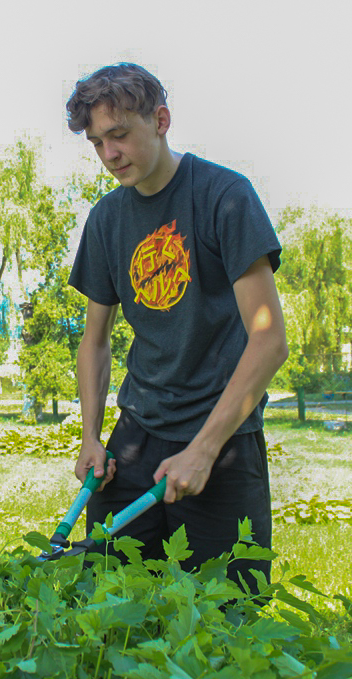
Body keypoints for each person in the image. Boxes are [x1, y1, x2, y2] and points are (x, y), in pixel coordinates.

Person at [65, 63, 288, 593]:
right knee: (112, 605)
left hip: (222, 441)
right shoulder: (107, 219)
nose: (109, 154)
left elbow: (270, 339)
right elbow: (94, 342)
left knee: (228, 622)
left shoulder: (225, 197)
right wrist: (91, 438)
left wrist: (205, 450)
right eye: (97, 143)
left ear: (161, 120)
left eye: (119, 135)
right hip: (135, 440)